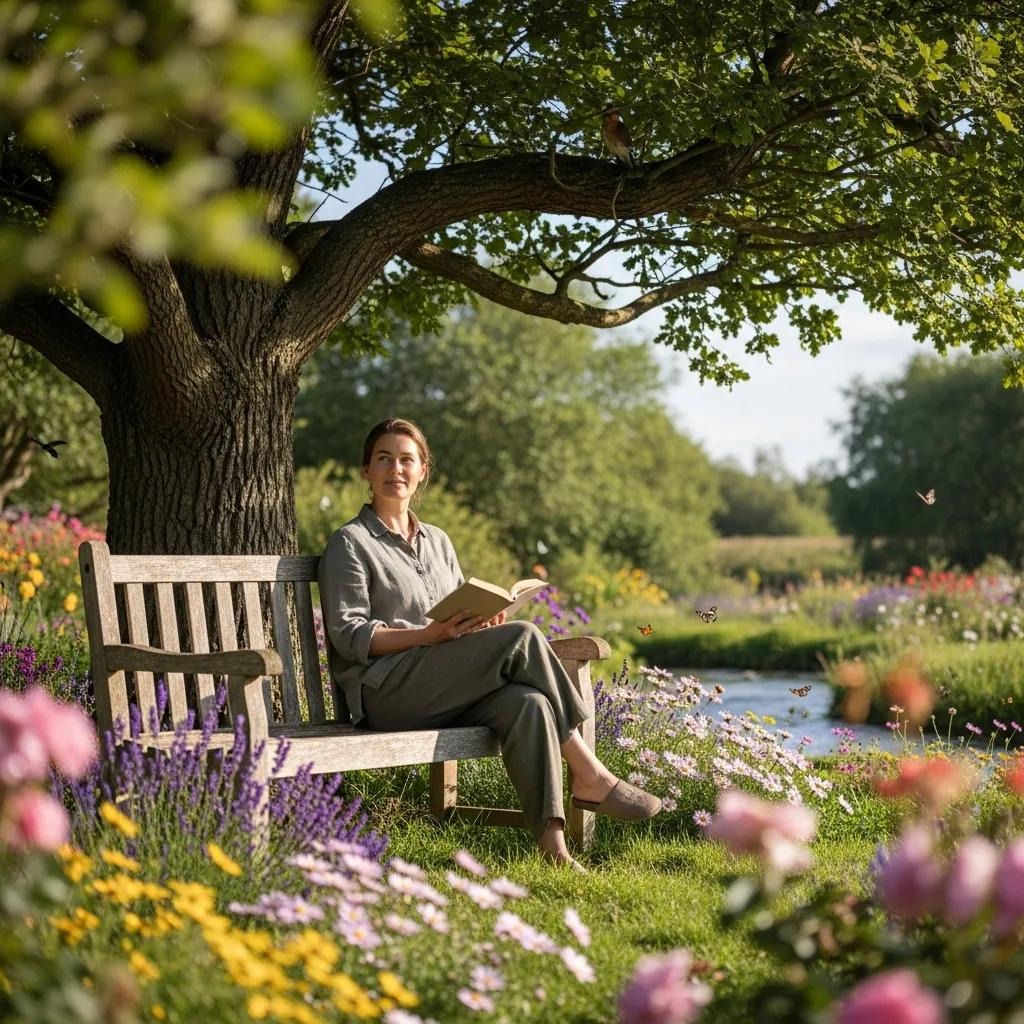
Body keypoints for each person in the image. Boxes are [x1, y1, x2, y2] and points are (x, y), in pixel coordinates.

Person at [318, 418, 661, 869]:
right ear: (366, 469)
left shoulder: (438, 542)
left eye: (406, 460)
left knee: (528, 705)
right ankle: (590, 773)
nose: (395, 469)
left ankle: (554, 850)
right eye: (384, 459)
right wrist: (429, 635)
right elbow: (349, 635)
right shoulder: (350, 542)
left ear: (422, 471)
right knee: (523, 636)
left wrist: (480, 621)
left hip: (445, 685)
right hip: (387, 693)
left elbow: (452, 617)